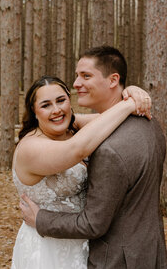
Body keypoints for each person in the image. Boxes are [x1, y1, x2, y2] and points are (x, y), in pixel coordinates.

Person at [20, 46, 167, 269]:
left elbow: (93, 224)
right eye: (46, 105)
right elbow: (75, 139)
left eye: (86, 76)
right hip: (146, 248)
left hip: (117, 258)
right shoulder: (149, 123)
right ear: (33, 110)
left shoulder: (109, 150)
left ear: (112, 80)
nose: (76, 83)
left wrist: (41, 219)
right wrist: (129, 98)